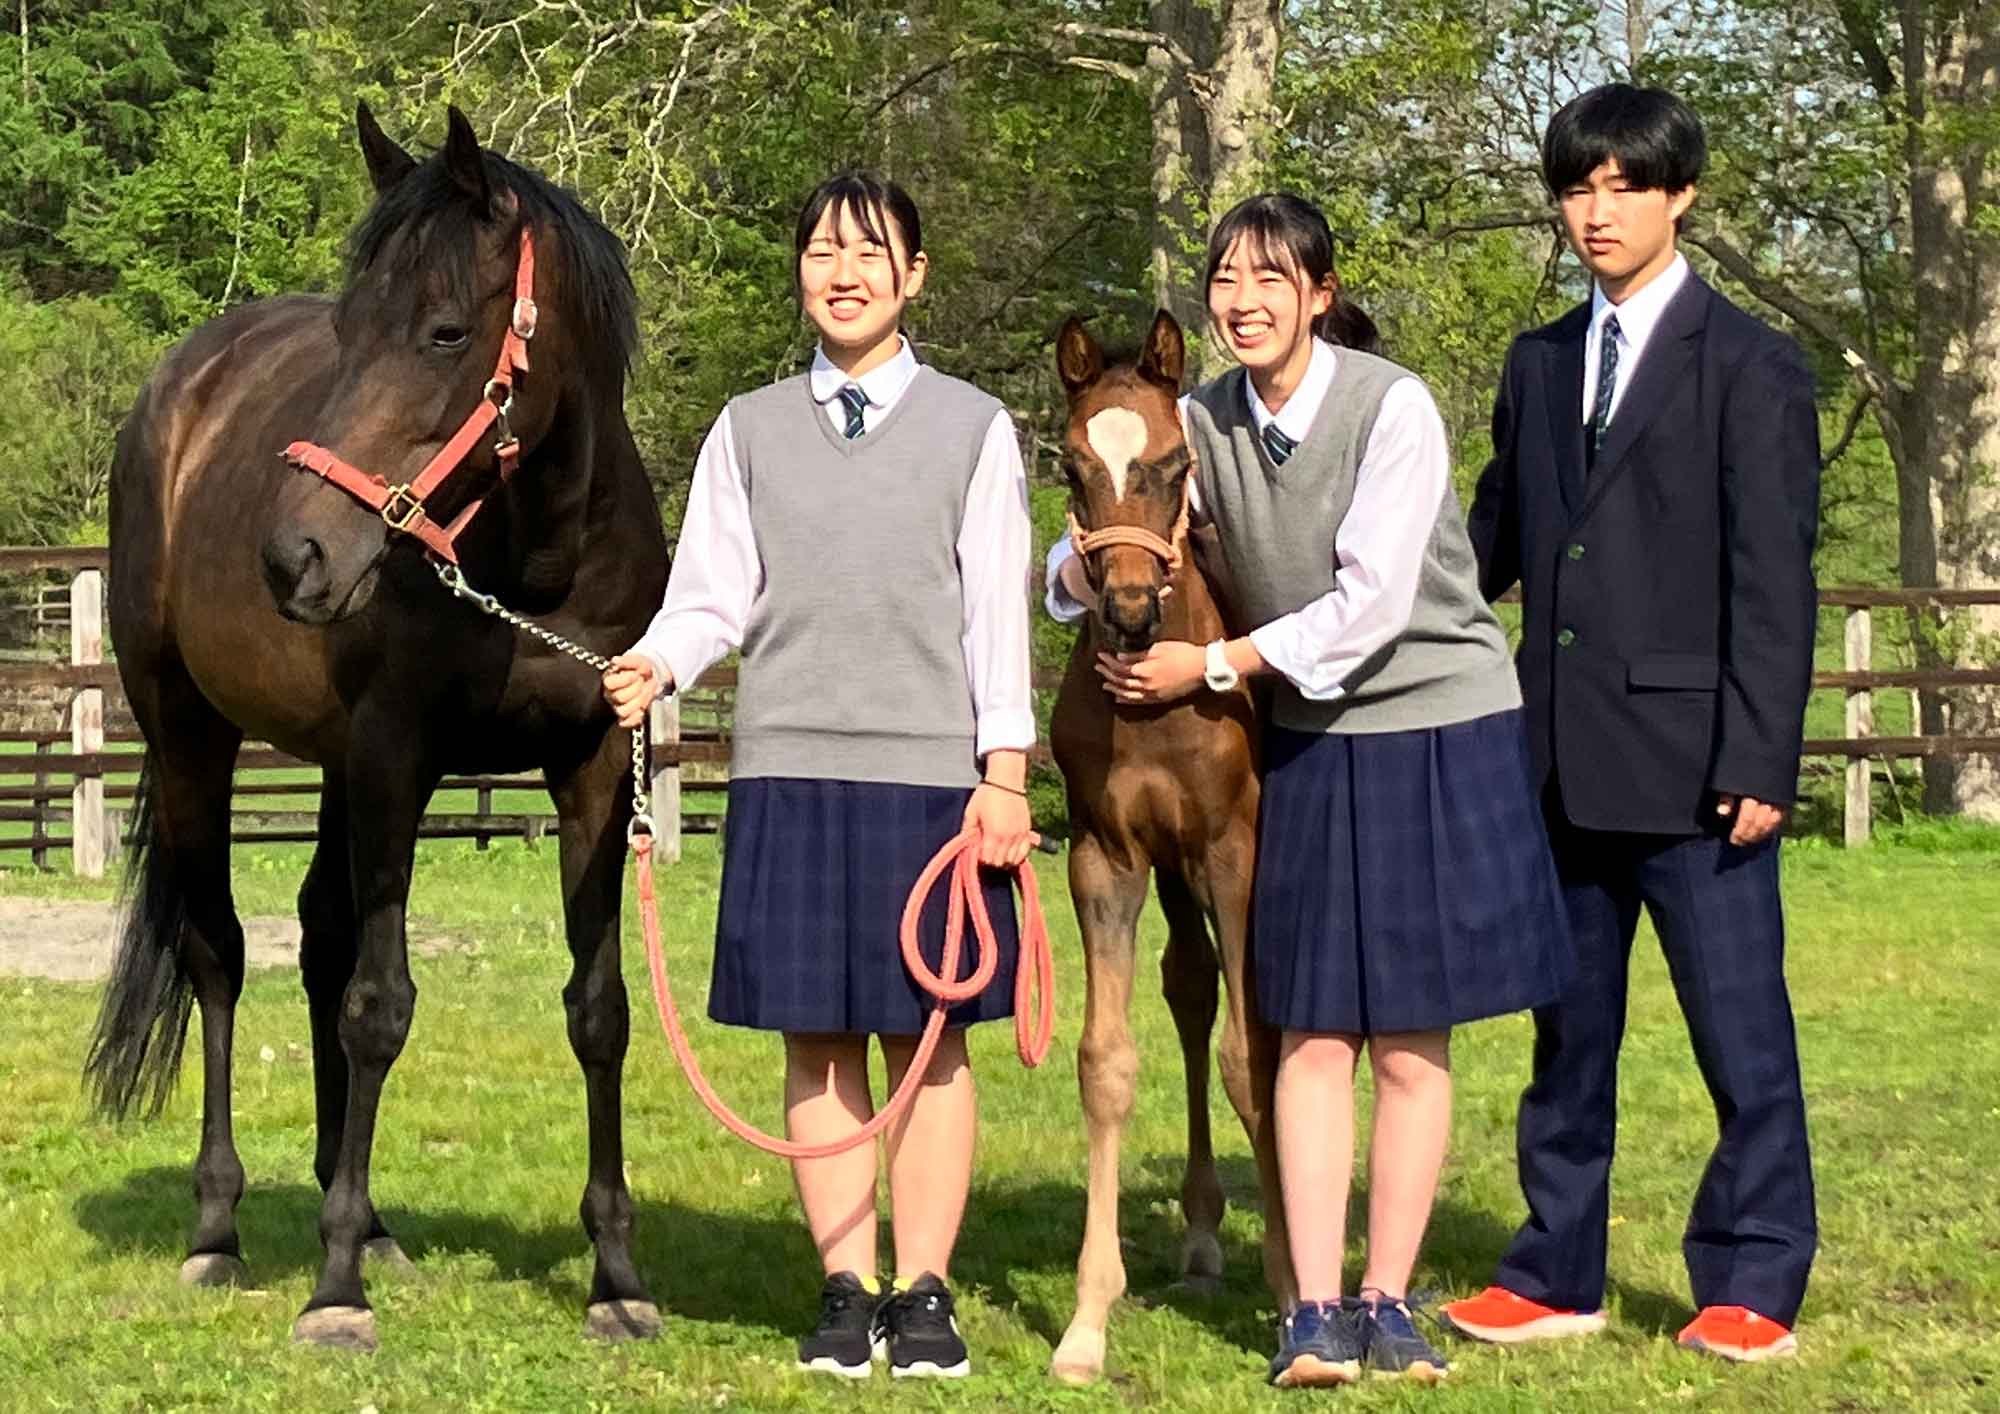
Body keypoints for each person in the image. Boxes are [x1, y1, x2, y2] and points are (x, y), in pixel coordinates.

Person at [1047, 193, 1570, 1387]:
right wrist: (1082, 573)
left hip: (1426, 711)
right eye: (1226, 277)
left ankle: (1385, 1294)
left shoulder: (1390, 407)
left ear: (1319, 296)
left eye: (1270, 279)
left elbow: (1375, 601)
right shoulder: (1200, 417)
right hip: (1305, 726)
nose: (1242, 299)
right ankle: (1313, 1305)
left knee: (1407, 1026)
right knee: (1312, 1015)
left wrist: (1210, 663)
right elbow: (1127, 519)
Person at [602, 171, 1035, 1380]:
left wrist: (1003, 773)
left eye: (869, 252)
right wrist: (656, 661)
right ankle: (845, 1292)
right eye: (821, 252)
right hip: (788, 770)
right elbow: (710, 596)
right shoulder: (744, 429)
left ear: (913, 276)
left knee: (930, 1045)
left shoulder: (973, 427)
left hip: (931, 788)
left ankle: (927, 1291)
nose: (842, 273)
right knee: (818, 1042)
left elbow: (997, 616)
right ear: (798, 272)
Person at [1441, 83, 1821, 1364]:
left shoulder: (1754, 366)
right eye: (1576, 185)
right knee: (1565, 1039)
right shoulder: (1537, 362)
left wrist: (1760, 757)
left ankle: (1751, 1275)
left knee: (1739, 1037)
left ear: (1680, 198)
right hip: (1551, 762)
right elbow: (1487, 540)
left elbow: (1774, 584)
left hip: (1703, 772)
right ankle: (1556, 1270)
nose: (1595, 211)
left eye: (1623, 186)